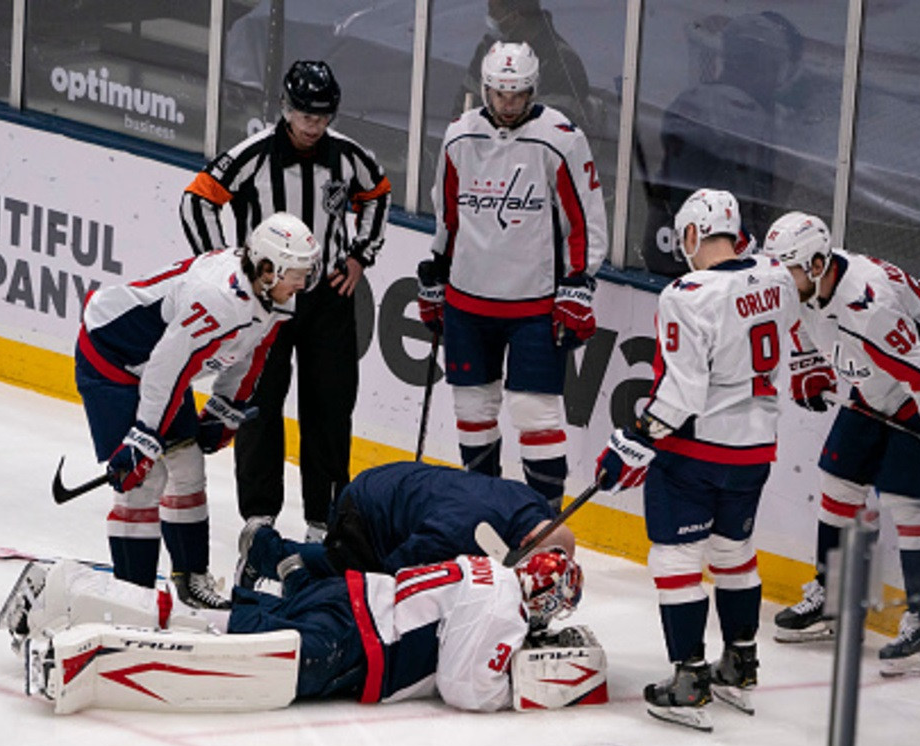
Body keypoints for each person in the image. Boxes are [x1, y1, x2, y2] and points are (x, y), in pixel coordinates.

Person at [592, 188, 799, 732]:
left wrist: (633, 439)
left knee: (675, 556)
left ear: (690, 236)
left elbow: (681, 395)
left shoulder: (687, 294)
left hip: (697, 449)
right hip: (756, 448)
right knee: (734, 550)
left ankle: (688, 679)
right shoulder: (777, 276)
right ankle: (740, 662)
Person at [762, 211, 920, 676]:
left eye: (786, 269)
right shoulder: (804, 283)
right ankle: (834, 599)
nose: (778, 280)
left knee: (910, 502)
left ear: (817, 263)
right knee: (839, 478)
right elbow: (796, 321)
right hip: (877, 371)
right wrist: (810, 365)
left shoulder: (869, 309)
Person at [181, 59, 392, 542]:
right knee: (257, 405)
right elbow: (197, 199)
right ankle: (259, 520)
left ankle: (326, 520)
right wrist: (224, 267)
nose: (312, 124)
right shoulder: (253, 155)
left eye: (321, 115)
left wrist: (361, 256)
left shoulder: (348, 157)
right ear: (285, 107)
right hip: (264, 306)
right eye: (304, 114)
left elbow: (377, 193)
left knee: (330, 409)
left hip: (327, 303)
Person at [0, 547, 594, 715]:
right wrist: (516, 688)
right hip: (353, 647)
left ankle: (68, 589)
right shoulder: (502, 610)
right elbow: (466, 688)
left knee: (208, 618)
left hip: (343, 597)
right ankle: (75, 657)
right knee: (227, 657)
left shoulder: (483, 568)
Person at [74, 212, 321, 608]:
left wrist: (225, 408)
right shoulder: (218, 299)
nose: (302, 283)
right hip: (112, 356)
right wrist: (144, 438)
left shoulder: (270, 296)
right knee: (144, 480)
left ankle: (191, 583)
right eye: (296, 272)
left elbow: (248, 354)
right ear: (267, 268)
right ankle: (133, 598)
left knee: (187, 464)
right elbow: (165, 369)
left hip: (157, 365)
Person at [417, 41, 608, 513]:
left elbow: (584, 221)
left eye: (517, 94)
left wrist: (578, 282)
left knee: (534, 413)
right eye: (499, 94)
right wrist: (437, 269)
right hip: (467, 303)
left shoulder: (560, 137)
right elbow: (449, 212)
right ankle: (484, 511)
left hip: (534, 305)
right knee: (473, 412)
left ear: (532, 90)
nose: (506, 105)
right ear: (484, 89)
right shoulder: (460, 135)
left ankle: (541, 522)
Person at [640, 11, 810, 276]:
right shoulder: (736, 112)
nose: (777, 77)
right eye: (773, 66)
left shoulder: (693, 100)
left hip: (667, 249)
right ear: (750, 63)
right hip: (711, 263)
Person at [234, 460, 578, 586]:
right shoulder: (465, 530)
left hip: (399, 487)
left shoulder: (534, 508)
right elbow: (397, 572)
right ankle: (264, 548)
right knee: (357, 582)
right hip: (367, 508)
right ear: (523, 546)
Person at [458, 0, 595, 136]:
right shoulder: (487, 51)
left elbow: (557, 131)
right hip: (480, 151)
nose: (489, 16)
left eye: (493, 11)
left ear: (514, 17)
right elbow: (463, 108)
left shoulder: (562, 63)